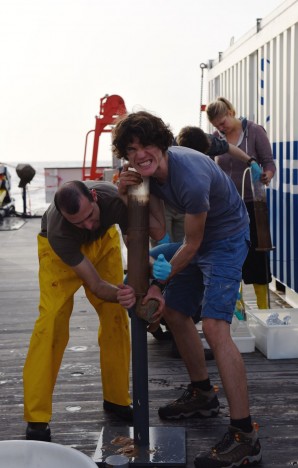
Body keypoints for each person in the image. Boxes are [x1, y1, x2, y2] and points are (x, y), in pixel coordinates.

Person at [112, 111, 262, 468]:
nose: (139, 154)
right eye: (131, 149)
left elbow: (192, 245)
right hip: (196, 241)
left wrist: (160, 282)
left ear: (162, 144)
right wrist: (129, 194)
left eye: (146, 145)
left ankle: (245, 436)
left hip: (225, 240)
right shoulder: (151, 174)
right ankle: (201, 393)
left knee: (214, 326)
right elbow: (160, 230)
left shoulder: (190, 176)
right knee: (177, 314)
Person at [23, 180, 165, 442]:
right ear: (66, 218)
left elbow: (134, 243)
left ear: (94, 197)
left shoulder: (113, 199)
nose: (88, 224)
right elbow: (98, 286)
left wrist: (150, 266)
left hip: (104, 243)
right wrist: (118, 292)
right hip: (59, 256)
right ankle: (37, 417)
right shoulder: (60, 233)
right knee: (51, 323)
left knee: (115, 318)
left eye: (90, 216)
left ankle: (116, 399)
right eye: (79, 222)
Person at [206, 97, 276, 309]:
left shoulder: (255, 131)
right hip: (227, 207)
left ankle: (264, 309)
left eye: (223, 122)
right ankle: (238, 309)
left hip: (253, 204)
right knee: (231, 256)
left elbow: (269, 162)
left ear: (230, 112)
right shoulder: (217, 138)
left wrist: (267, 175)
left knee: (258, 254)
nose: (221, 128)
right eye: (217, 126)